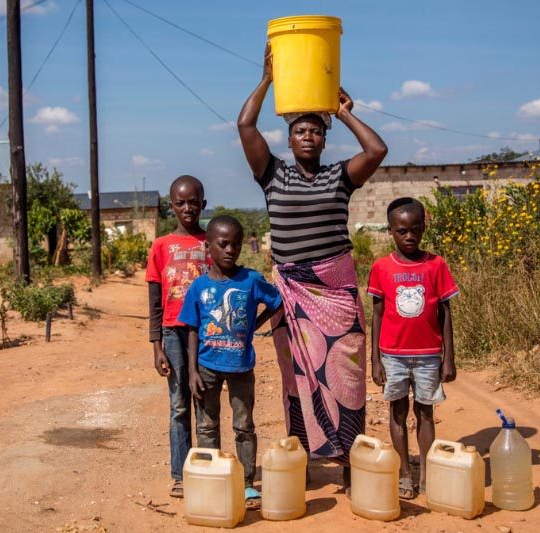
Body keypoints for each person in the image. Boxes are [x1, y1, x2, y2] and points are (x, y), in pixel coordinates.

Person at [237, 43, 388, 489]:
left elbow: (377, 149)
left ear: (324, 139)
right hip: (294, 299)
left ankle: (349, 462)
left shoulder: (340, 175)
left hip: (337, 299)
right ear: (288, 139)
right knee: (297, 380)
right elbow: (245, 123)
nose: (307, 136)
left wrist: (341, 112)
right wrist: (266, 80)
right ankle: (300, 459)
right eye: (300, 131)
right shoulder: (271, 174)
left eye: (316, 131)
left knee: (347, 377)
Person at [178, 215, 283, 510]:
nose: (230, 250)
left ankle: (247, 482)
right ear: (209, 246)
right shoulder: (199, 287)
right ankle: (214, 478)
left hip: (241, 367)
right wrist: (192, 371)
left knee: (244, 426)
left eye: (235, 245)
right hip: (207, 367)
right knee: (207, 426)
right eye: (223, 244)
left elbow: (277, 303)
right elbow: (192, 329)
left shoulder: (251, 280)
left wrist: (253, 325)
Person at [367, 197, 459, 499]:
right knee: (397, 411)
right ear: (390, 231)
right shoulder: (382, 267)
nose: (410, 236)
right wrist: (375, 359)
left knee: (426, 413)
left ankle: (429, 473)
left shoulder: (436, 264)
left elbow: (445, 313)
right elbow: (377, 314)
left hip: (428, 355)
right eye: (402, 230)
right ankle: (405, 473)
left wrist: (449, 357)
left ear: (424, 228)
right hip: (392, 355)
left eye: (415, 230)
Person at [145, 175, 211, 498]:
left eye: (194, 201)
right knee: (178, 404)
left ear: (204, 204)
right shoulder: (161, 246)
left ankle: (206, 466)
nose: (188, 208)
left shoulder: (210, 242)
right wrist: (156, 346)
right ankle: (181, 473)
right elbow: (155, 302)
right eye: (181, 202)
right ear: (171, 206)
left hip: (206, 333)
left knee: (204, 399)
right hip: (172, 332)